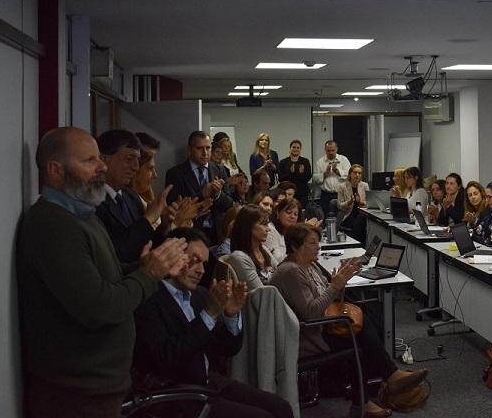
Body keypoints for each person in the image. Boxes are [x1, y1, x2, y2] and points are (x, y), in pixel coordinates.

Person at [17, 126, 188, 417]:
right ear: (55, 170)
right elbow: (100, 307)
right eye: (89, 161)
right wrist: (150, 274)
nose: (101, 167)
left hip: (99, 389)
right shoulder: (52, 225)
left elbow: (106, 274)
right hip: (74, 397)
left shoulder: (82, 214)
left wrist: (146, 266)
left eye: (100, 158)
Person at [271, 223, 428, 418]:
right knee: (358, 340)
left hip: (321, 326)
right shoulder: (290, 272)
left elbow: (330, 300)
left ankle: (379, 386)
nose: (318, 247)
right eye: (312, 243)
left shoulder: (310, 266)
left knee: (363, 317)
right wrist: (335, 286)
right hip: (306, 334)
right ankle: (379, 387)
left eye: (318, 242)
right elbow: (311, 313)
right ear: (295, 246)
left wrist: (340, 284)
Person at [133, 227, 293, 418]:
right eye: (194, 261)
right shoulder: (150, 298)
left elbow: (227, 349)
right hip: (178, 395)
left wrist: (231, 316)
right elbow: (165, 357)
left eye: (204, 263)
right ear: (172, 255)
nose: (201, 270)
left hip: (210, 382)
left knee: (281, 407)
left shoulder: (199, 294)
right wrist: (209, 314)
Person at [96, 129, 173, 263]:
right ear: (104, 159)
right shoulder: (92, 201)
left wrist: (164, 226)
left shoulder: (131, 196)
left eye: (137, 160)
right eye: (129, 159)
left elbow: (147, 246)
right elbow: (115, 253)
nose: (136, 167)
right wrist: (148, 218)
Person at [165, 131, 234, 243]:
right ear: (189, 150)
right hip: (190, 234)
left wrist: (217, 195)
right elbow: (175, 208)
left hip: (217, 233)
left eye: (208, 148)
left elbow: (229, 205)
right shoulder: (175, 173)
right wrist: (202, 194)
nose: (205, 153)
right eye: (200, 148)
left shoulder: (220, 170)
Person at [227, 205, 277, 290]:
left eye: (267, 224)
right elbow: (260, 293)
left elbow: (280, 272)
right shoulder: (239, 257)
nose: (268, 229)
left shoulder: (264, 249)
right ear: (248, 226)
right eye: (263, 224)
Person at [312, 140, 350, 215]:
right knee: (326, 217)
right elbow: (314, 179)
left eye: (333, 150)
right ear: (325, 150)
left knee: (341, 217)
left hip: (341, 194)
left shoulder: (343, 160)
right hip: (325, 195)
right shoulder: (320, 162)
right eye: (328, 150)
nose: (331, 152)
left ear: (337, 149)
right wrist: (325, 174)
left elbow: (350, 176)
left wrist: (337, 172)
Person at [338, 164, 370, 242]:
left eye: (359, 173)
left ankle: (358, 244)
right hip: (349, 214)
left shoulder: (365, 186)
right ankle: (359, 244)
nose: (357, 175)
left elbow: (369, 203)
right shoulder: (342, 186)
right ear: (350, 174)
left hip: (362, 214)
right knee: (360, 224)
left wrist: (361, 202)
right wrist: (349, 202)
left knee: (361, 220)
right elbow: (339, 206)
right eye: (355, 172)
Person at [266, 197, 301, 268]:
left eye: (295, 214)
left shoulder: (293, 232)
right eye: (288, 212)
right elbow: (278, 260)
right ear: (278, 213)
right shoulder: (270, 230)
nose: (292, 217)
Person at [278, 139, 312, 207]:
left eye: (298, 147)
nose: (295, 149)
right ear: (290, 148)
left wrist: (300, 173)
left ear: (300, 149)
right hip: (287, 192)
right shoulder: (283, 162)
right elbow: (280, 178)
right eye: (293, 147)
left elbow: (308, 176)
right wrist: (290, 172)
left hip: (302, 193)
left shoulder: (305, 161)